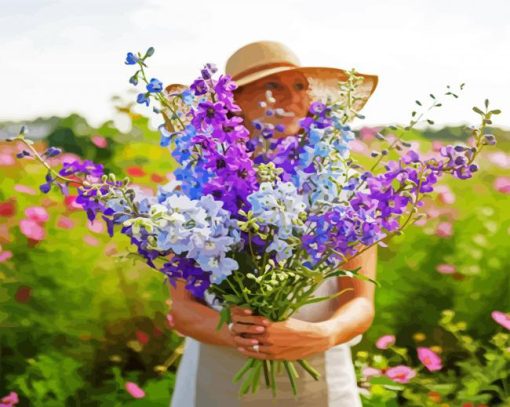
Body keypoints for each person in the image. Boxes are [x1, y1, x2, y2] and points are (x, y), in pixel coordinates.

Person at [169, 41, 379, 407]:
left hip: (320, 370)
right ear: (232, 105)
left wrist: (322, 334)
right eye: (272, 86)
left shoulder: (342, 186)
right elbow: (181, 309)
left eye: (300, 86)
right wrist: (239, 334)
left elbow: (361, 303)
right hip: (218, 376)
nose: (292, 97)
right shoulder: (194, 190)